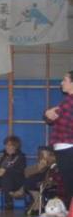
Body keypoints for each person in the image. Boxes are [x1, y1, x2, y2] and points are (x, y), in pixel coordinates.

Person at [45, 70, 73, 205]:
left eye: (65, 80)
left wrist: (50, 112)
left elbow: (51, 117)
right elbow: (49, 118)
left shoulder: (69, 102)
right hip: (65, 148)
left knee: (69, 184)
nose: (62, 82)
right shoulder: (66, 102)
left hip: (68, 148)